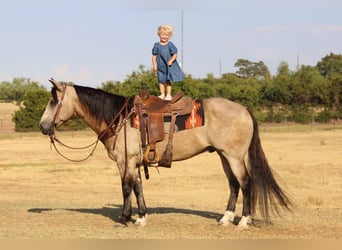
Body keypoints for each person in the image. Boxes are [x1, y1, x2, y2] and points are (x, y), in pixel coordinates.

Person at [152, 24, 184, 100]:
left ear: (169, 36)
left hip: (168, 66)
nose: (164, 37)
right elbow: (154, 56)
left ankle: (168, 95)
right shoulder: (156, 45)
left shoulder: (170, 44)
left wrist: (171, 60)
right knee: (161, 80)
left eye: (167, 35)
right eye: (163, 34)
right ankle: (162, 94)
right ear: (159, 34)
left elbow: (175, 54)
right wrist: (154, 65)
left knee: (168, 80)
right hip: (161, 66)